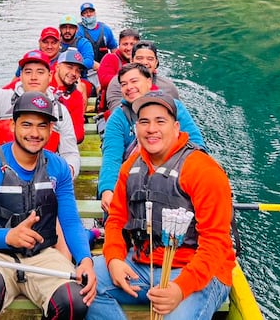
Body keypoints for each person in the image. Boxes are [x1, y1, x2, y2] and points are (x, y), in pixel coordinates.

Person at [88, 91, 234, 320]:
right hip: (142, 263)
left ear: (176, 127)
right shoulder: (131, 167)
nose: (151, 129)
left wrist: (180, 288)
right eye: (144, 122)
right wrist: (114, 259)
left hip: (197, 271)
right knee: (87, 285)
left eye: (160, 121)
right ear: (136, 128)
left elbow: (215, 242)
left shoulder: (203, 170)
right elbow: (116, 220)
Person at [0, 91, 97, 319]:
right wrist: (7, 237)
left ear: (51, 130)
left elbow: (71, 221)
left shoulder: (59, 168)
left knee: (76, 301)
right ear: (13, 125)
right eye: (27, 124)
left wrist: (85, 260)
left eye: (42, 126)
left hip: (42, 254)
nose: (34, 133)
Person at [97, 69, 205, 214]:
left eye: (134, 81)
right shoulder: (118, 117)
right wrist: (107, 189)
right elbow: (112, 157)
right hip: (135, 181)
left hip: (174, 178)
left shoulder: (174, 107)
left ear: (149, 82)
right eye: (124, 84)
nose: (129, 87)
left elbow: (196, 144)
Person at [0, 50, 81, 177]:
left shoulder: (60, 111)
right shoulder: (2, 98)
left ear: (50, 76)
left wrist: (67, 173)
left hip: (43, 178)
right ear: (21, 76)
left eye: (40, 72)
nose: (34, 77)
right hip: (2, 175)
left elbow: (70, 153)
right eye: (28, 72)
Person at [104, 41, 180, 112]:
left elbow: (177, 114)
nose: (144, 62)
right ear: (131, 60)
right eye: (139, 58)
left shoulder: (169, 87)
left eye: (150, 59)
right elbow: (117, 112)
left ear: (156, 62)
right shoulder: (118, 83)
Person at [77, 3, 118, 93]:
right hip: (86, 70)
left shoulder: (105, 29)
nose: (88, 14)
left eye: (91, 11)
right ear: (81, 16)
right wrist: (94, 64)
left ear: (95, 13)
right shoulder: (78, 30)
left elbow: (114, 51)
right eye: (85, 12)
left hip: (104, 69)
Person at [97, 28, 140, 93]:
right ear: (119, 45)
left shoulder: (142, 60)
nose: (129, 48)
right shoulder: (110, 58)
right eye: (125, 44)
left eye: (132, 44)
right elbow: (104, 82)